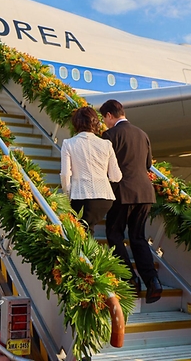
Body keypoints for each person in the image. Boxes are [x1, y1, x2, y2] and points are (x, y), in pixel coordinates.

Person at [100, 99, 162, 303]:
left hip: (122, 192)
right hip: (145, 193)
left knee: (114, 234)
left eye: (105, 118)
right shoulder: (142, 134)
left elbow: (105, 167)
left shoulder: (110, 135)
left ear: (110, 115)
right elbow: (148, 164)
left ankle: (130, 280)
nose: (105, 122)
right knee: (138, 237)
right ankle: (153, 282)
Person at [60, 106, 122, 230]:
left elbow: (66, 174)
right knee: (89, 230)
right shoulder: (106, 144)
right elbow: (116, 176)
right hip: (105, 197)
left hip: (81, 196)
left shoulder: (68, 143)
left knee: (81, 233)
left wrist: (67, 197)